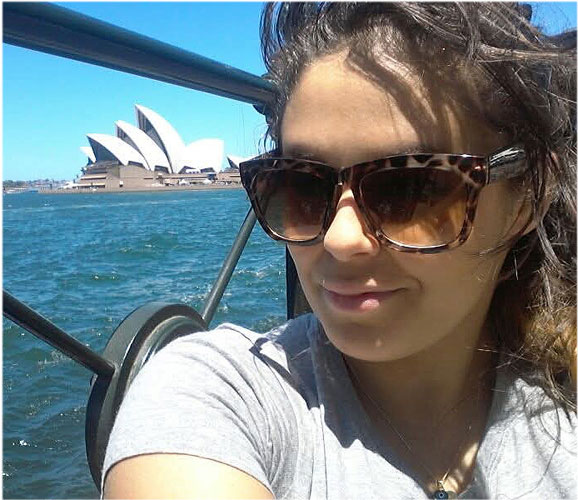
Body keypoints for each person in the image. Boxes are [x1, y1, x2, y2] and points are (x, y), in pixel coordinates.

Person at [103, 3, 576, 498]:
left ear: (527, 200)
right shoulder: (216, 392)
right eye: (302, 186)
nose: (340, 239)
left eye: (410, 188)